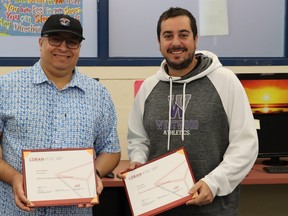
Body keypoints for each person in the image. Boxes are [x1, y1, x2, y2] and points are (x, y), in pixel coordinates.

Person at [118, 7, 258, 216]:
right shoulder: (148, 87)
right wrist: (138, 161)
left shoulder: (225, 81)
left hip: (213, 208)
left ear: (196, 39)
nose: (176, 43)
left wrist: (214, 183)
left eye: (183, 35)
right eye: (168, 36)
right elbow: (139, 139)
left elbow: (245, 144)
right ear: (159, 42)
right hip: (158, 207)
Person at [0, 14, 121, 215]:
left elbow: (111, 149)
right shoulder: (6, 87)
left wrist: (94, 174)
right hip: (17, 210)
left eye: (72, 42)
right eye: (55, 39)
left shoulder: (98, 94)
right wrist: (14, 177)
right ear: (41, 42)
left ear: (79, 48)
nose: (63, 48)